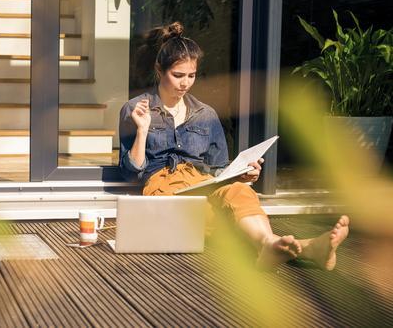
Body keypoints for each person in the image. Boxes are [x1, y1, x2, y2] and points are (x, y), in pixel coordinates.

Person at [118, 21, 349, 270]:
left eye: (191, 75)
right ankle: (308, 248)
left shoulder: (205, 114)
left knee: (240, 192)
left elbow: (217, 171)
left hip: (199, 182)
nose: (185, 83)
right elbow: (131, 173)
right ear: (159, 70)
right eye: (178, 75)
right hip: (162, 189)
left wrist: (244, 174)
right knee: (216, 216)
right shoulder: (136, 108)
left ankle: (270, 243)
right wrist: (142, 130)